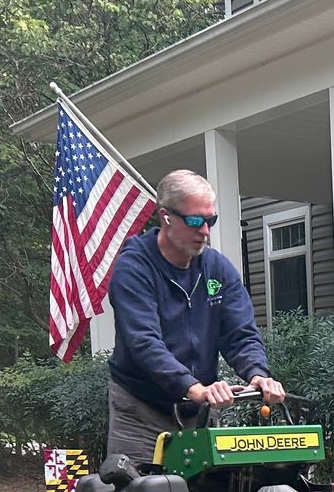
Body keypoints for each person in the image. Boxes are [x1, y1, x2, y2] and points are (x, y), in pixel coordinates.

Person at [103, 169, 286, 463]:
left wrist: (258, 375)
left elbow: (240, 333)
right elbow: (143, 342)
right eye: (195, 221)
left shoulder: (217, 268)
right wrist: (193, 387)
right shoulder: (134, 268)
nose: (205, 231)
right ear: (166, 217)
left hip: (197, 411)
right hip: (140, 410)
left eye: (210, 220)